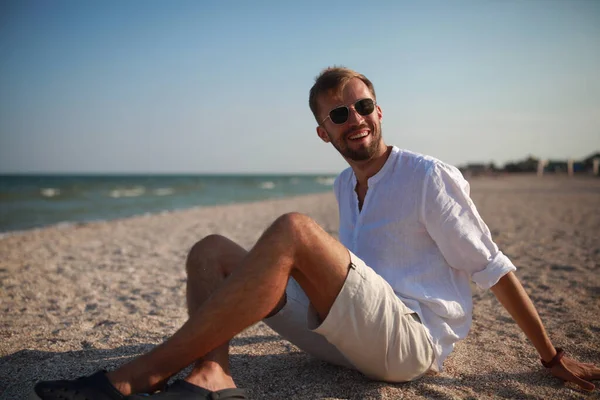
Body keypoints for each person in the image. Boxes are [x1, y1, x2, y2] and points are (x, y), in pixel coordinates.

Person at [32, 67, 599, 400]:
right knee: (210, 252)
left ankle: (136, 376)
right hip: (348, 339)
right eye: (339, 115)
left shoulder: (427, 176)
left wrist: (551, 360)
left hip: (410, 344)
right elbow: (349, 280)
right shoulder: (340, 184)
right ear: (324, 132)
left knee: (295, 231)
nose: (355, 120)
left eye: (364, 106)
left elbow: (493, 267)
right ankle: (213, 372)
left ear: (380, 111)